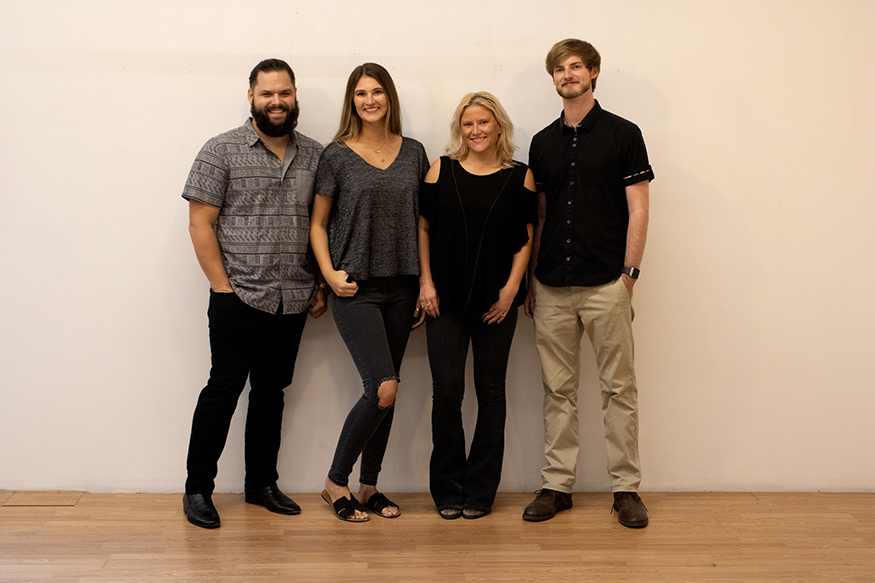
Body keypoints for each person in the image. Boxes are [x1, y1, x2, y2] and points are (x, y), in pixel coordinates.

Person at [180, 58, 326, 529]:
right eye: (267, 94)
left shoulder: (315, 154)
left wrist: (317, 285)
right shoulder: (219, 150)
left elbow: (321, 226)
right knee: (222, 390)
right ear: (251, 97)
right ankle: (197, 489)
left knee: (271, 392)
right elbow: (199, 223)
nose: (277, 102)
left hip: (293, 297)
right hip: (238, 293)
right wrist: (221, 288)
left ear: (295, 95)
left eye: (284, 93)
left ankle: (261, 484)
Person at [523, 39, 654, 528]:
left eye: (575, 66)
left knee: (619, 389)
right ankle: (558, 486)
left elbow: (639, 207)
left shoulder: (624, 134)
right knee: (558, 390)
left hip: (607, 283)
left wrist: (630, 273)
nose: (567, 74)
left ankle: (626, 490)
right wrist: (533, 279)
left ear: (593, 73)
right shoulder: (541, 142)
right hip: (553, 283)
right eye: (559, 69)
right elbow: (538, 213)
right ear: (553, 79)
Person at [310, 63, 428, 522]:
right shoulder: (336, 156)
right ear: (352, 101)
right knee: (383, 386)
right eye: (361, 93)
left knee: (389, 392)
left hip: (401, 287)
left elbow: (422, 223)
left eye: (377, 91)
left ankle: (369, 486)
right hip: (354, 287)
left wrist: (422, 284)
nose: (370, 100)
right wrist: (329, 275)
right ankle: (334, 481)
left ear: (389, 97)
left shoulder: (415, 153)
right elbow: (318, 224)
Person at [418, 92, 536, 520]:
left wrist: (511, 290)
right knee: (446, 394)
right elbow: (424, 227)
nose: (476, 130)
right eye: (468, 123)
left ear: (498, 125)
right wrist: (425, 282)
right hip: (444, 299)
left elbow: (526, 238)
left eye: (484, 122)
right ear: (459, 129)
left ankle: (481, 491)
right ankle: (448, 490)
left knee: (491, 394)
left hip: (496, 303)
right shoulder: (440, 169)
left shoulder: (519, 176)